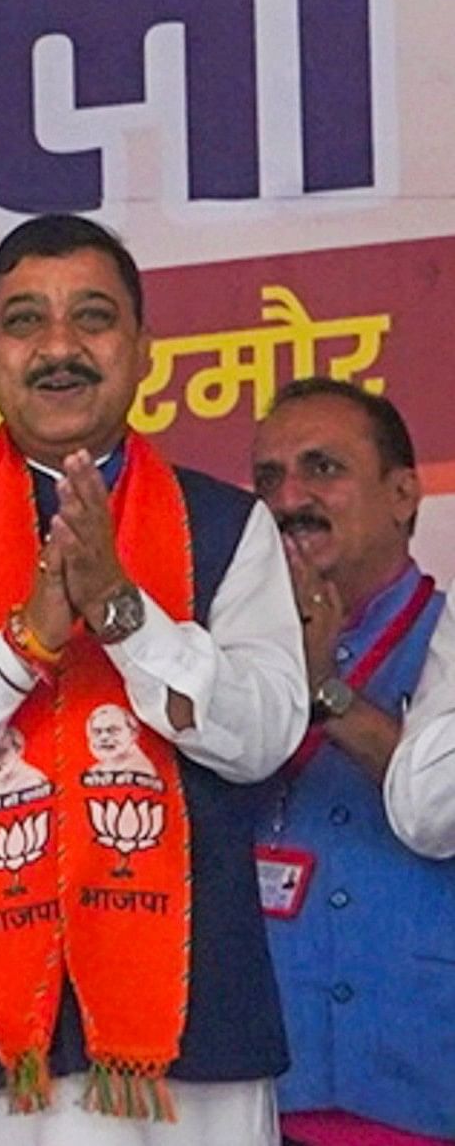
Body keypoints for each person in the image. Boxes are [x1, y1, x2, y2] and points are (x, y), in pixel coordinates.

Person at [0, 213, 306, 1141]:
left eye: (92, 319)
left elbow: (263, 738)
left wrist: (123, 615)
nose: (59, 347)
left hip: (188, 1039)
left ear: (140, 349)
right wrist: (24, 646)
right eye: (24, 322)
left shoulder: (228, 528)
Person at [245, 377, 454, 1144]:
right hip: (256, 1106)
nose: (288, 497)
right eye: (268, 477)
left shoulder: (446, 639)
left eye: (321, 468)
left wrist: (326, 694)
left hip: (423, 1096)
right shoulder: (229, 655)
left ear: (403, 493)